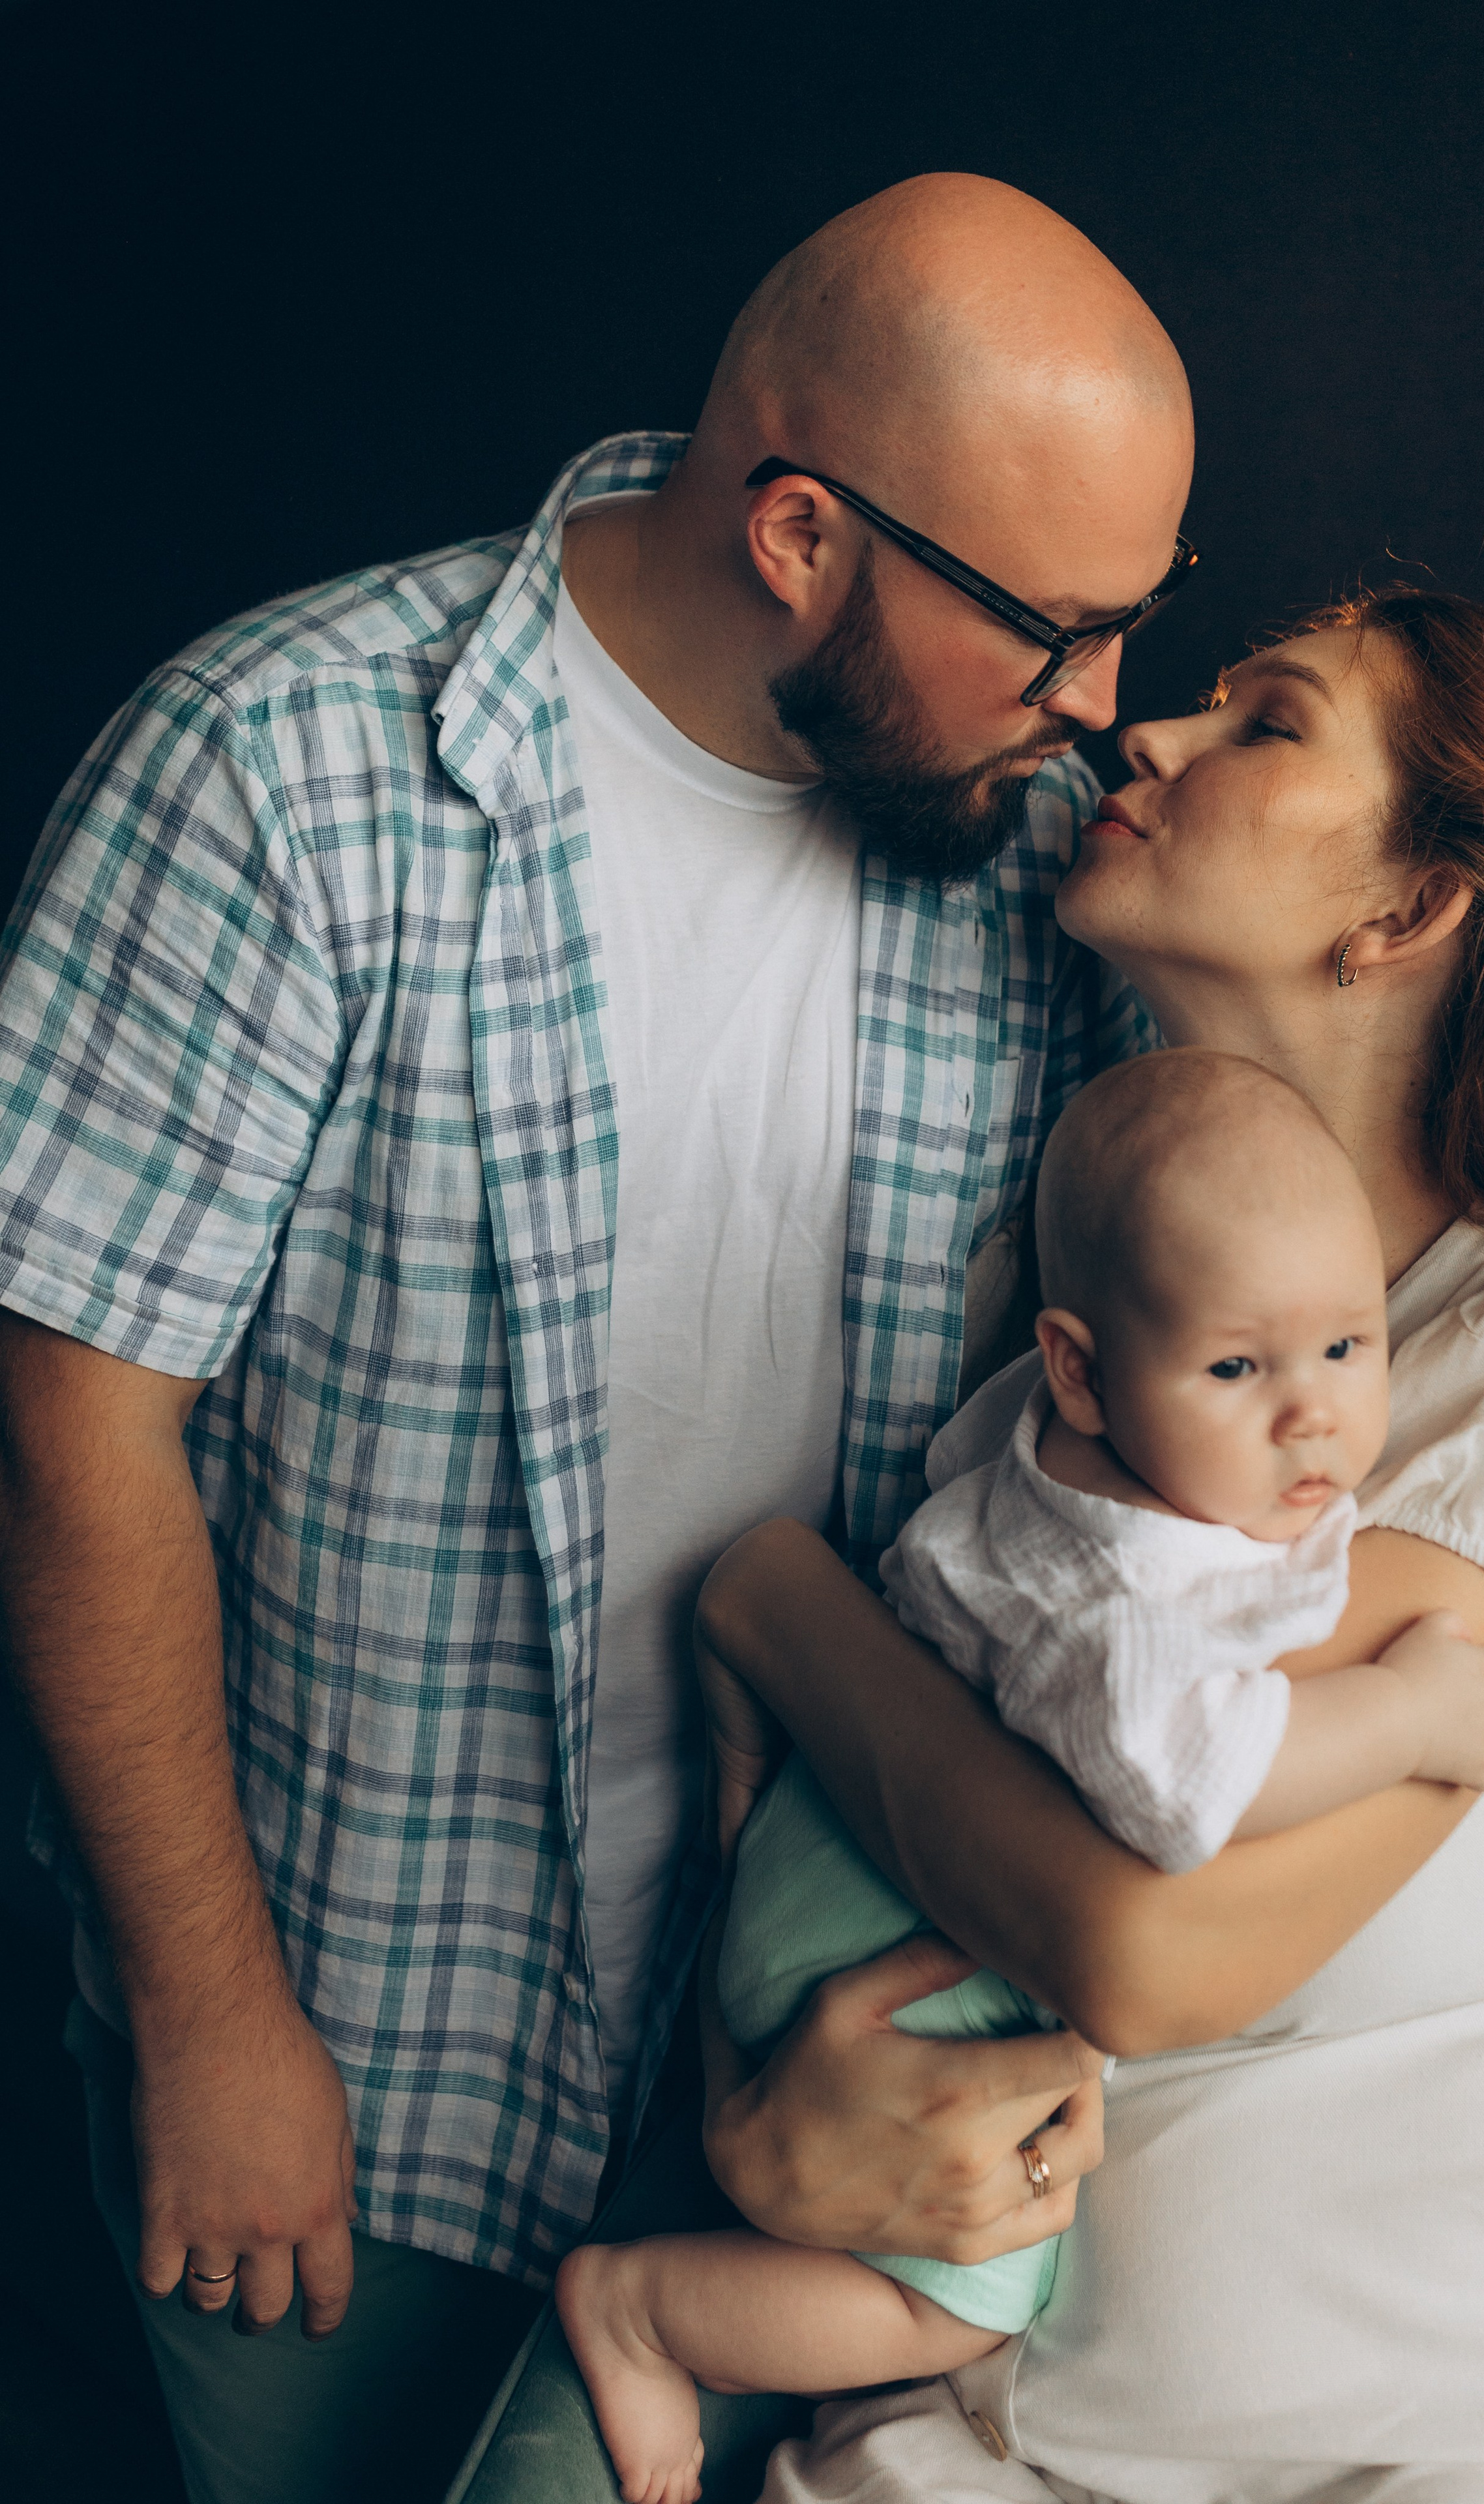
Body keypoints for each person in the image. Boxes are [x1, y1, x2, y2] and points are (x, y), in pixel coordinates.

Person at [0, 174, 1195, 2502]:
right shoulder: (281, 770)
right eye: (1056, 631)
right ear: (796, 534)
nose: (1101, 710)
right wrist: (206, 2014)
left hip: (833, 2109)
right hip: (353, 2073)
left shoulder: (1046, 862)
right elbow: (71, 1430)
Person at [687, 589, 1484, 2504]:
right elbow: (844, 1916)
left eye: (1265, 725)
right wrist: (758, 2130)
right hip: (947, 2448)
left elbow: (1147, 1941)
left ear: (1403, 912)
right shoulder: (1041, 1374)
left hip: (1447, 2456)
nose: (1148, 742)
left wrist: (783, 1605)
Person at [555, 1051, 1484, 2504]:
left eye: (1347, 1347)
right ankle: (642, 2310)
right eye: (1236, 1369)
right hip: (875, 1934)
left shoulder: (1067, 1441)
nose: (1310, 1417)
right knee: (955, 2303)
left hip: (832, 1853)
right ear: (1076, 1363)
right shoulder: (1134, 1591)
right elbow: (1188, 1786)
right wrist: (1405, 1713)